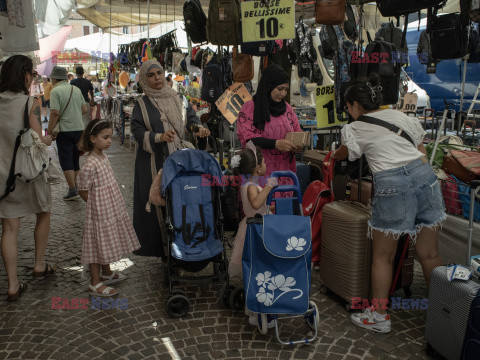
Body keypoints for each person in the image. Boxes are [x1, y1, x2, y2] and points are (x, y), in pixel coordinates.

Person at [331, 75, 445, 333]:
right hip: (426, 179)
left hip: (392, 184)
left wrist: (333, 154)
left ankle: (379, 316)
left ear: (354, 106)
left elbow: (344, 152)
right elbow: (421, 152)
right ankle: (444, 314)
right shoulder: (400, 116)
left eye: (348, 107)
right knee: (429, 254)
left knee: (383, 256)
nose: (349, 112)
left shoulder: (354, 128)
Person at [130, 60, 209, 259]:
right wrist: (159, 137)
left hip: (181, 160)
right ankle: (163, 249)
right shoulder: (142, 103)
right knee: (160, 202)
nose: (157, 78)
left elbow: (190, 119)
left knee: (184, 200)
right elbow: (137, 131)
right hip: (154, 161)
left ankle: (186, 240)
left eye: (159, 73)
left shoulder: (179, 98)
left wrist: (197, 128)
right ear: (145, 79)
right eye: (151, 75)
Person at [0, 55, 56, 302]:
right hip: (28, 174)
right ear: (25, 75)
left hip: (3, 176)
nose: (33, 78)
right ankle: (39, 264)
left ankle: (13, 285)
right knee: (43, 211)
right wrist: (48, 139)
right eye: (32, 74)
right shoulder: (30, 102)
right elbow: (37, 139)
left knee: (9, 228)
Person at [76, 119, 140, 297]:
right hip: (99, 211)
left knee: (104, 240)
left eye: (110, 137)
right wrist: (95, 204)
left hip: (109, 207)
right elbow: (81, 189)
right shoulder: (90, 163)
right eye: (105, 137)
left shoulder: (102, 156)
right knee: (96, 244)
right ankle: (95, 283)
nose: (109, 141)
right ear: (93, 138)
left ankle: (106, 272)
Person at [228, 143, 278, 327]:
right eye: (264, 162)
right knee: (257, 268)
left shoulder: (251, 184)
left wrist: (271, 206)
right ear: (258, 168)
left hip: (258, 225)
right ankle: (254, 311)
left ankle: (256, 308)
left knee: (258, 268)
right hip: (255, 229)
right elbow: (256, 204)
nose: (266, 164)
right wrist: (270, 187)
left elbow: (259, 205)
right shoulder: (251, 186)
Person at [237, 64, 302, 184]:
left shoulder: (287, 109)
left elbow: (298, 133)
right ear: (269, 85)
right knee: (261, 202)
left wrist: (299, 146)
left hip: (284, 174)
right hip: (259, 173)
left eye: (286, 90)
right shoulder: (249, 109)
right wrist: (276, 144)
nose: (283, 94)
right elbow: (247, 140)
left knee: (283, 203)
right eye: (280, 88)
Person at [47, 66, 88, 201]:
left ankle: (72, 190)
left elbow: (55, 113)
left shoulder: (55, 91)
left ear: (54, 78)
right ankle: (77, 186)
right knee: (75, 160)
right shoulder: (75, 89)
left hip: (65, 131)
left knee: (66, 161)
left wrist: (49, 130)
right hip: (79, 129)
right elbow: (84, 110)